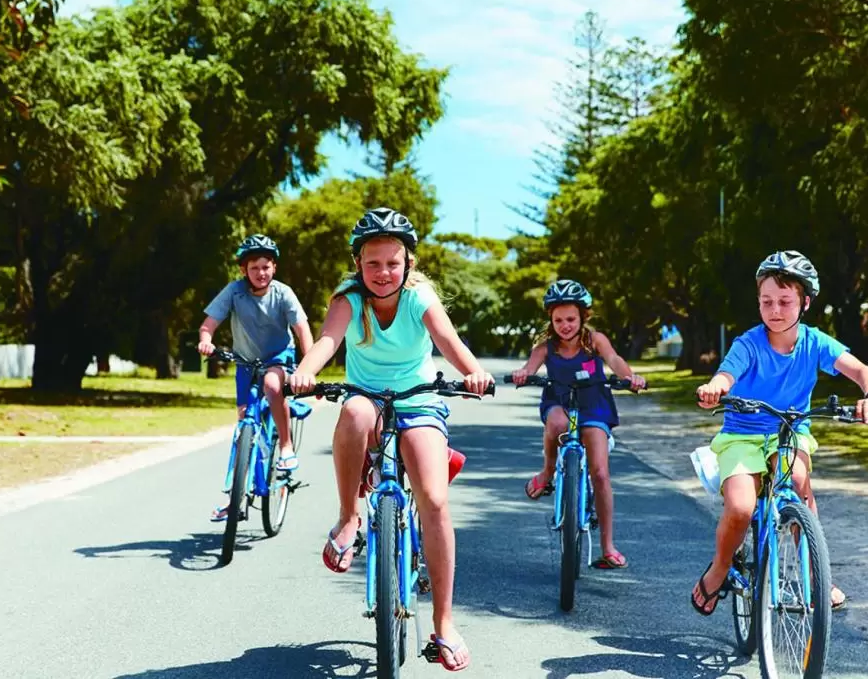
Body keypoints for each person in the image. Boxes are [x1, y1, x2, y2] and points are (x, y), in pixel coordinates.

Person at [288, 207, 493, 673]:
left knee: (435, 501)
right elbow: (327, 340)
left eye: (393, 263)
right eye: (373, 263)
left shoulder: (419, 298)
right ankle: (347, 519)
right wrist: (306, 370)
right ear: (358, 264)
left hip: (419, 400)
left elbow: (450, 343)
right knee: (355, 412)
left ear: (409, 264)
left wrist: (474, 373)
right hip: (368, 398)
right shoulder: (348, 299)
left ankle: (443, 623)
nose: (383, 273)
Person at [691, 250, 868, 615]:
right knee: (741, 507)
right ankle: (720, 568)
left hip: (789, 433)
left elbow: (861, 371)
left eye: (785, 301)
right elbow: (727, 373)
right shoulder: (747, 344)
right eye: (767, 301)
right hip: (742, 435)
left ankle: (815, 576)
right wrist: (715, 386)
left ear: (805, 303)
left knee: (798, 481)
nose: (775, 310)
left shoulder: (816, 343)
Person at [510, 279, 646, 570]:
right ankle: (548, 472)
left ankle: (607, 546)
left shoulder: (595, 340)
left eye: (571, 319)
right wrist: (523, 374)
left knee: (600, 472)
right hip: (560, 402)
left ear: (583, 316)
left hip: (593, 405)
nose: (565, 325)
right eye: (558, 319)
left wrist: (630, 377)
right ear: (551, 319)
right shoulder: (545, 348)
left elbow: (614, 359)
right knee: (556, 422)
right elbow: (530, 367)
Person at [197, 234, 313, 520]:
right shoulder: (234, 292)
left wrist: (309, 369)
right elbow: (208, 325)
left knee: (273, 386)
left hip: (277, 359)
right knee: (243, 429)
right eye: (254, 268)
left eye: (266, 267)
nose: (260, 273)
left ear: (274, 267)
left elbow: (302, 331)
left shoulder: (283, 293)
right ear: (243, 270)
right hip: (245, 364)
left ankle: (285, 446)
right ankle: (236, 496)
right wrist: (206, 340)